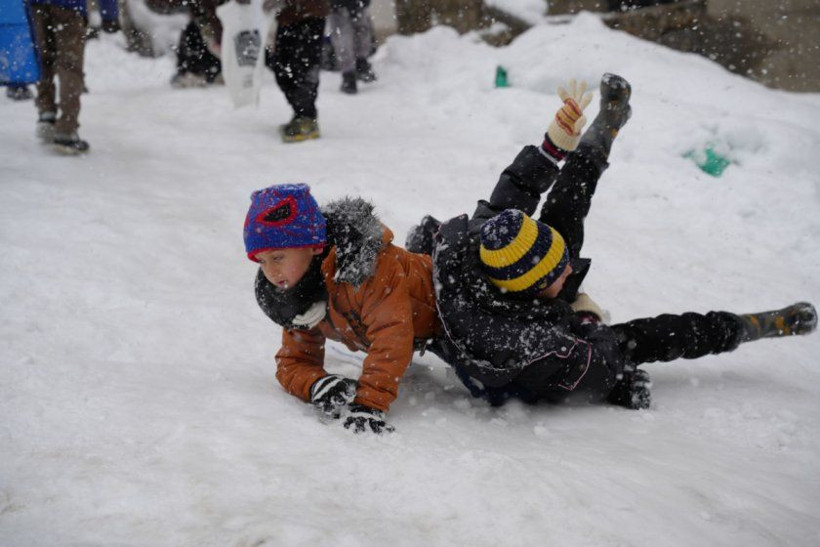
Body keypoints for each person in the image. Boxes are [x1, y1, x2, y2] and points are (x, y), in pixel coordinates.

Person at [412, 74, 817, 409]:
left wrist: (553, 146)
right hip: (537, 352)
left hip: (525, 297)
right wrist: (587, 318)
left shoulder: (484, 241)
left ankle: (606, 123)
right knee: (661, 335)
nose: (572, 267)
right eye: (561, 270)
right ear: (534, 287)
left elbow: (512, 193)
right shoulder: (528, 344)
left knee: (568, 197)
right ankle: (755, 326)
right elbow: (598, 364)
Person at [245, 184, 439, 433]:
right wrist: (316, 384)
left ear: (314, 246)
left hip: (447, 309)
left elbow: (391, 338)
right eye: (261, 261)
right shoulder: (300, 289)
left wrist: (369, 403)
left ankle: (440, 239)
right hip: (419, 333)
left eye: (278, 257)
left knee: (492, 382)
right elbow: (292, 361)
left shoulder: (371, 268)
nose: (271, 272)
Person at [30, 0, 119, 154]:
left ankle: (46, 113)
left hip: (36, 5)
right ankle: (66, 130)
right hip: (69, 6)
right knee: (70, 66)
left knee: (43, 59)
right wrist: (109, 14)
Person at [264, 0, 329, 142]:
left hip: (310, 14)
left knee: (303, 67)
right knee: (282, 67)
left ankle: (306, 117)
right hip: (287, 16)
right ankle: (300, 112)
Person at [327, 0, 376, 94]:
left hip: (341, 6)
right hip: (352, 5)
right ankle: (358, 67)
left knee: (345, 38)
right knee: (360, 33)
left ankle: (351, 73)